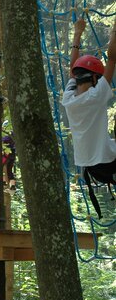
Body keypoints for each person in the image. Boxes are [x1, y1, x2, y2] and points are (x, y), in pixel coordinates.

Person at [62, 17, 116, 218]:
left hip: (90, 163)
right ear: (94, 78)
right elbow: (111, 59)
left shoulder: (69, 98)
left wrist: (77, 34)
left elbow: (72, 71)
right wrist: (114, 31)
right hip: (105, 160)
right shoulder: (96, 95)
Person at [2, 124, 16, 191]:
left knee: (0, 167)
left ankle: (4, 182)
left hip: (7, 153)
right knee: (9, 170)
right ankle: (12, 186)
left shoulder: (8, 137)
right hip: (12, 154)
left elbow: (3, 141)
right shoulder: (14, 137)